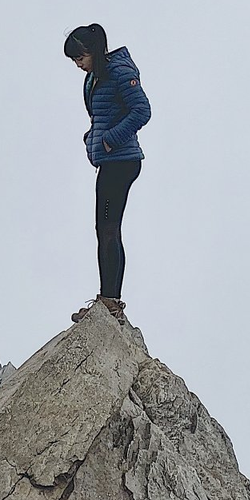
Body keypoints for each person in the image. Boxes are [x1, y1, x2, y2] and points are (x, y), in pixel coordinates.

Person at [64, 23, 151, 324]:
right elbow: (102, 113)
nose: (77, 65)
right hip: (112, 160)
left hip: (122, 161)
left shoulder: (118, 71)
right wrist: (93, 136)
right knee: (107, 229)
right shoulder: (95, 76)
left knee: (108, 229)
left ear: (92, 52)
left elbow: (142, 111)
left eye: (79, 58)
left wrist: (109, 139)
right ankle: (110, 299)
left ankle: (110, 302)